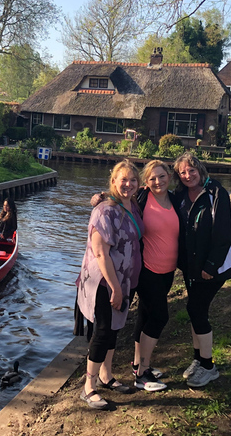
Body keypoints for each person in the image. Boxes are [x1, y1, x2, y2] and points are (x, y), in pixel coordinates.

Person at [75, 160, 143, 409]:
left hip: (125, 280)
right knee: (103, 331)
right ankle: (88, 387)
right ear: (113, 181)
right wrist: (114, 287)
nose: (128, 184)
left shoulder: (133, 204)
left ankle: (106, 375)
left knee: (114, 328)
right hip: (105, 282)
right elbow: (101, 253)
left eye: (133, 180)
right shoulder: (105, 210)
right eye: (123, 179)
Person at [173, 152, 231, 388]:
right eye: (182, 172)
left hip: (212, 266)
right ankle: (198, 360)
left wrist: (212, 265)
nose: (188, 175)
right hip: (191, 265)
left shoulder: (217, 193)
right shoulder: (180, 194)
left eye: (191, 170)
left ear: (200, 170)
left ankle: (209, 366)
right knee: (195, 311)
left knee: (196, 309)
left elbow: (223, 233)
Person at [130, 160, 185, 392]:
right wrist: (99, 199)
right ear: (145, 181)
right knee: (160, 317)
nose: (157, 181)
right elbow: (117, 200)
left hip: (168, 271)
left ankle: (136, 365)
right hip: (147, 269)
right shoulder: (141, 199)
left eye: (161, 176)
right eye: (152, 178)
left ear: (169, 177)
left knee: (145, 315)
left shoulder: (175, 200)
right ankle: (142, 374)